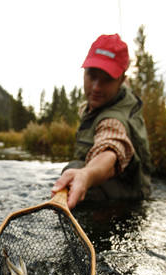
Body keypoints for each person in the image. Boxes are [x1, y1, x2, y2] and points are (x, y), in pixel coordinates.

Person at [51, 33, 152, 210]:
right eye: (92, 75)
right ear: (84, 72)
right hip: (115, 183)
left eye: (107, 79)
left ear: (121, 80)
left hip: (132, 194)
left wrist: (86, 175)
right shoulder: (112, 95)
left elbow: (111, 147)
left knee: (74, 172)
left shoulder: (114, 119)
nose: (97, 87)